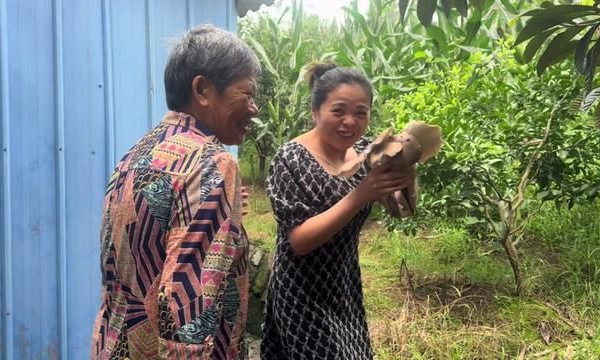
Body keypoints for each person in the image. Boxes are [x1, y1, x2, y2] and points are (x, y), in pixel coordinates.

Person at [91, 24, 260, 359]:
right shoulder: (212, 163)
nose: (253, 108)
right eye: (248, 93)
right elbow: (187, 311)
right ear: (203, 90)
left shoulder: (136, 154)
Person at [260, 63, 417, 359]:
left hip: (343, 286)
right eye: (338, 111)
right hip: (301, 291)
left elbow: (402, 211)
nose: (350, 121)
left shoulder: (368, 154)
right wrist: (361, 195)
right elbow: (300, 241)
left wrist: (407, 175)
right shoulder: (291, 159)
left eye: (361, 112)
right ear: (315, 111)